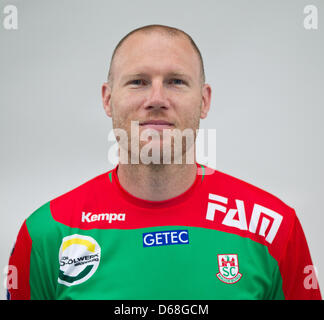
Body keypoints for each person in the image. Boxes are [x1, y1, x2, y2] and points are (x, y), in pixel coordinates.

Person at [7, 24, 322, 300]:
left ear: (204, 100)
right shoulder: (48, 233)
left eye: (176, 81)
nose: (156, 99)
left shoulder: (272, 229)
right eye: (138, 82)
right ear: (107, 98)